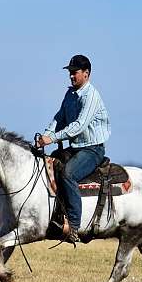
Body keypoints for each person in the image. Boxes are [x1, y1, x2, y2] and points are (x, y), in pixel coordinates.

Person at [36, 54, 111, 244]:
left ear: (86, 74)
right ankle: (57, 215)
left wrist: (51, 138)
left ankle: (75, 227)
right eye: (69, 73)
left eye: (74, 72)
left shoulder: (91, 95)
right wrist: (45, 135)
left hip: (92, 149)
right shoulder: (70, 94)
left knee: (68, 173)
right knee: (51, 163)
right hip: (77, 147)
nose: (71, 76)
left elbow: (78, 126)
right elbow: (59, 118)